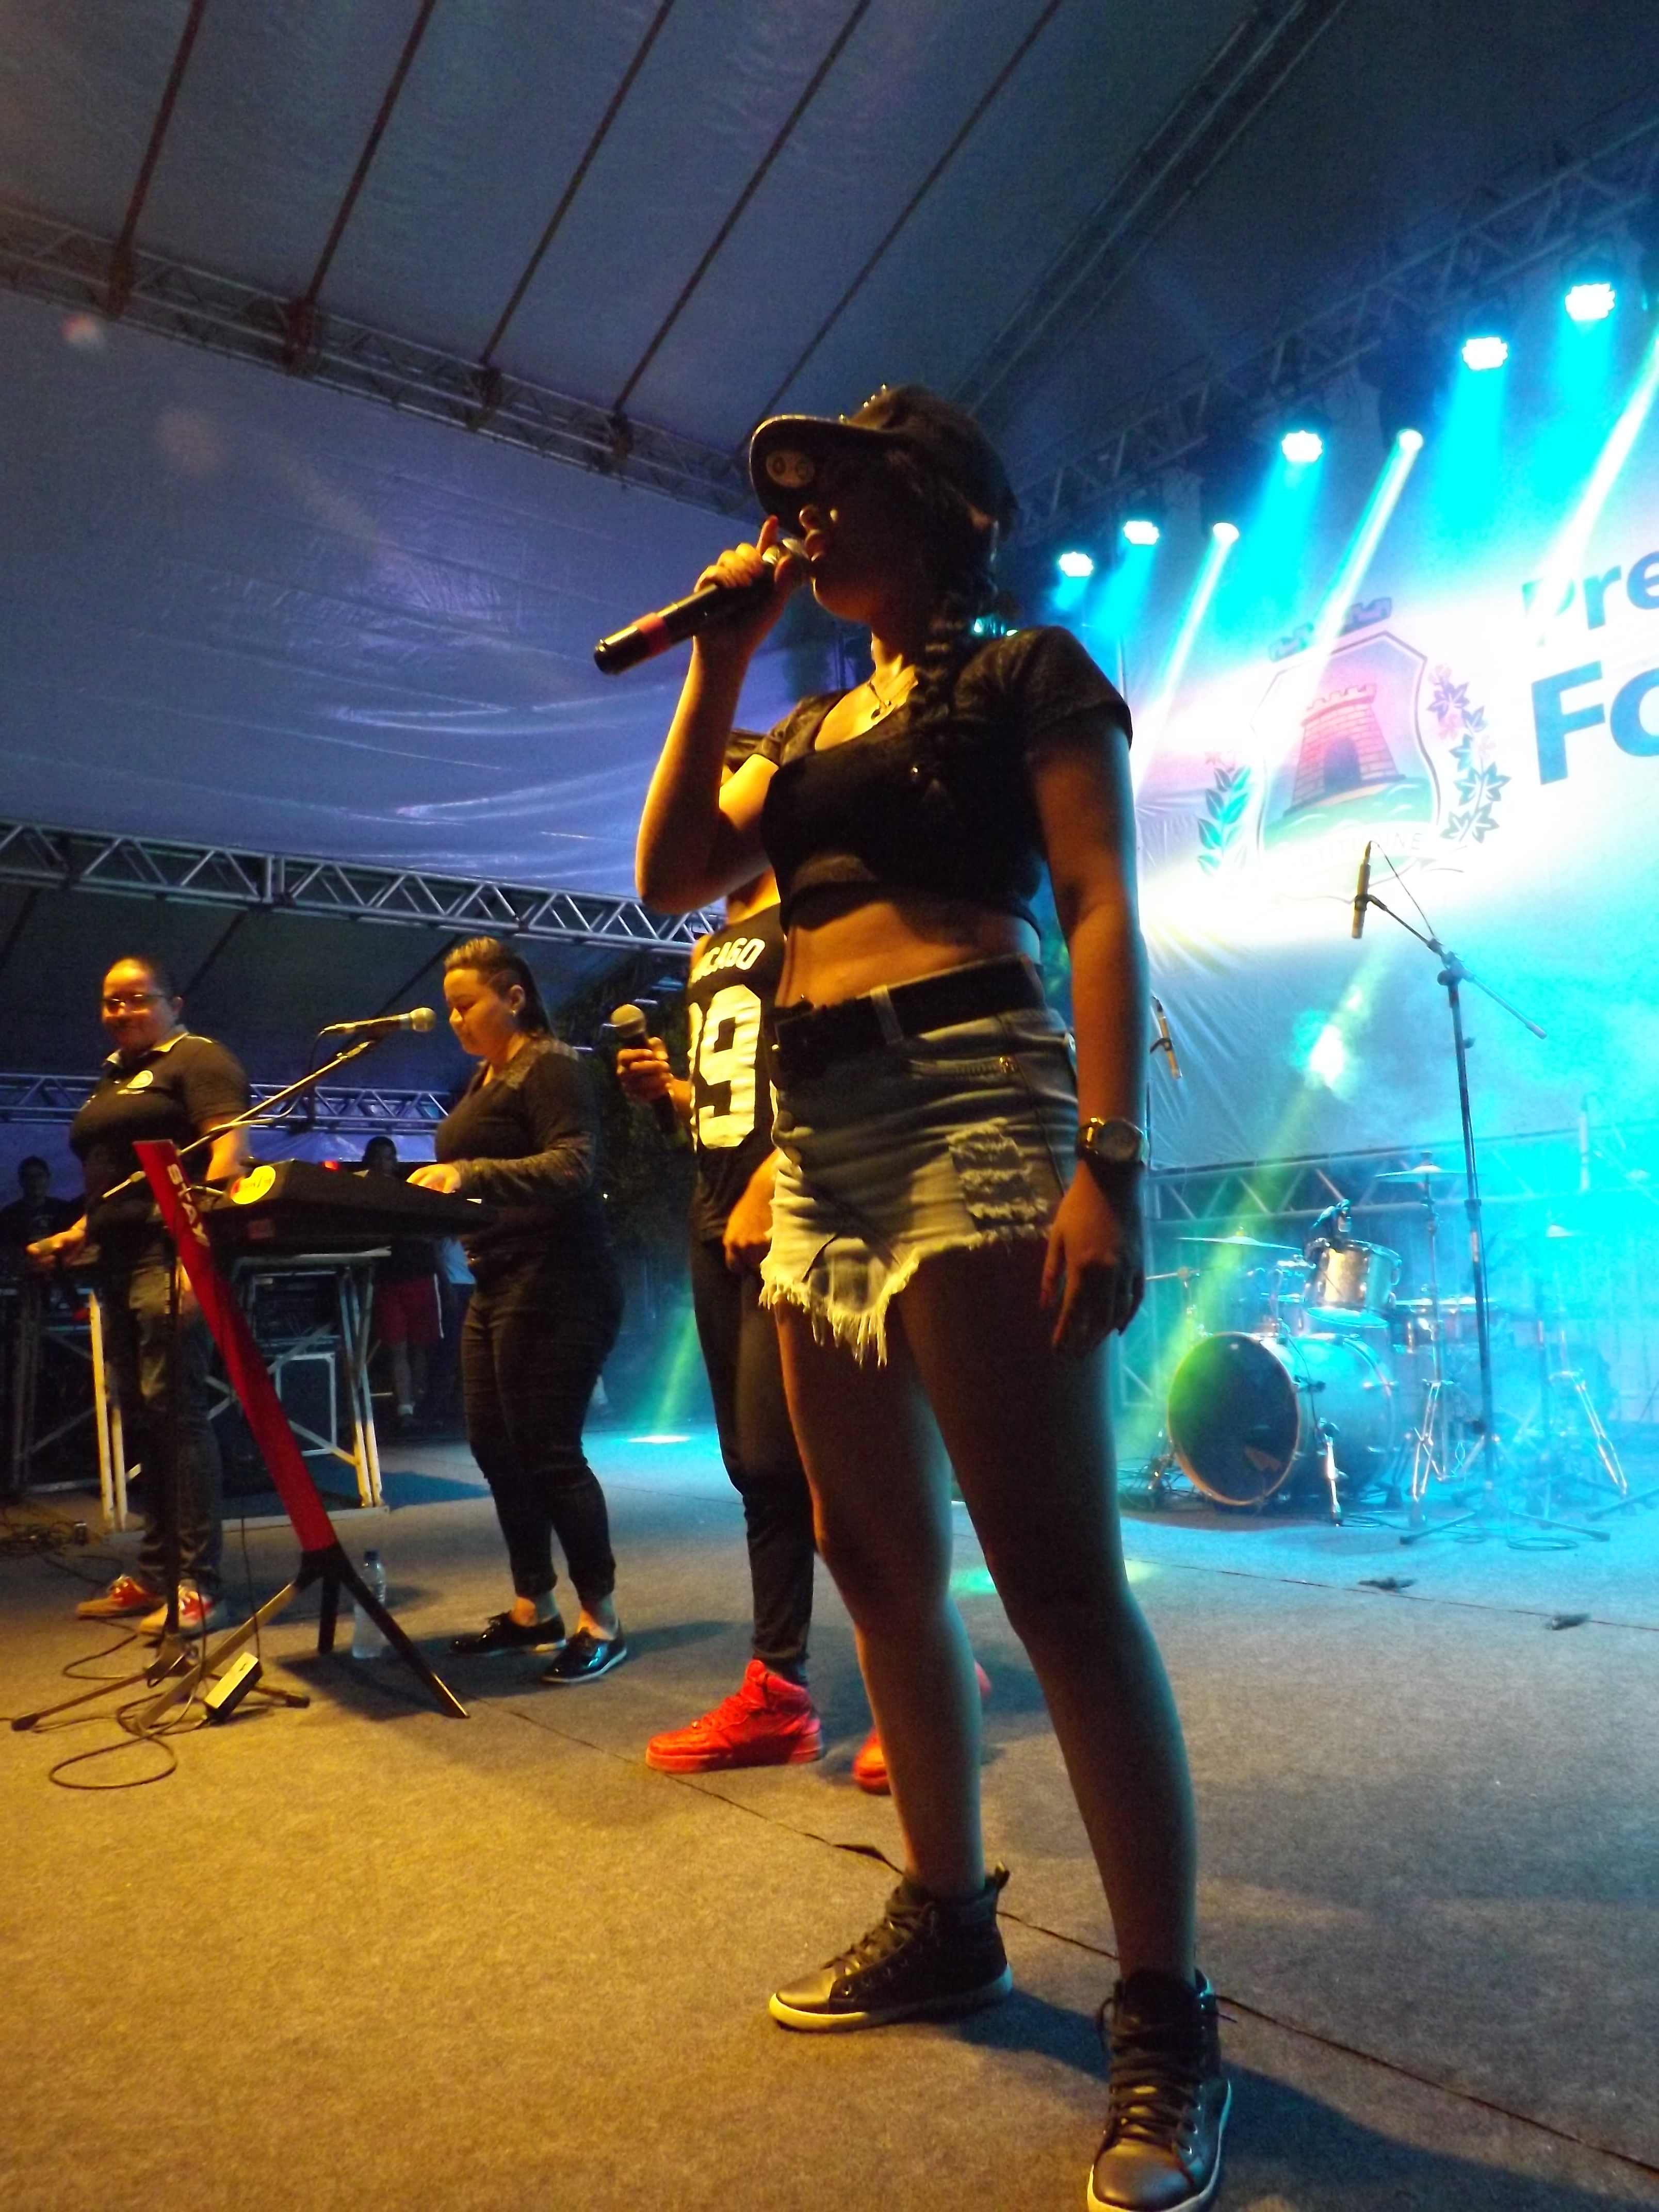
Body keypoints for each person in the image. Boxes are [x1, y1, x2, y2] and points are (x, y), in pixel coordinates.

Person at [636, 386, 1225, 2212]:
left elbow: (1099, 902)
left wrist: (1107, 1160)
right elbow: (673, 874)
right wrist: (718, 659)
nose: (806, 518)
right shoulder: (806, 722)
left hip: (977, 1087)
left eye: (841, 488)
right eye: (792, 499)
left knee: (1053, 1573)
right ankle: (949, 1912)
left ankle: (1163, 2012)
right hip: (819, 1132)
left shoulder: (1029, 672)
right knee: (873, 1556)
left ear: (941, 503)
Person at [617, 742, 822, 1769]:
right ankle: (795, 1680)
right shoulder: (709, 945)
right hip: (717, 1209)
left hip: (795, 1202)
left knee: (810, 1455)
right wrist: (670, 1099)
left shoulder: (813, 911)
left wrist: (772, 1178)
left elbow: (833, 1063)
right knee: (753, 1461)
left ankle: (908, 1651)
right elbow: (732, 1094)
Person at [410, 937, 626, 1683]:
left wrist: (467, 1173)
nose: (455, 1020)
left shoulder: (551, 1065)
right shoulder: (484, 1077)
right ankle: (535, 1606)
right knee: (496, 1447)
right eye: (449, 1009)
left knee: (548, 1451)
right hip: (498, 1277)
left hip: (560, 1276)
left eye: (465, 1005)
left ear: (513, 997)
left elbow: (573, 1164)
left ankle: (602, 1619)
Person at [30, 957, 249, 1638]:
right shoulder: (114, 1076)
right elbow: (116, 1182)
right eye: (110, 1002)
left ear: (174, 1003)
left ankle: (200, 1583)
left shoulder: (199, 1059)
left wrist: (197, 1253)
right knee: (143, 1414)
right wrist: (79, 1231)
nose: (121, 1012)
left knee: (175, 1410)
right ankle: (157, 1572)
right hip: (118, 1258)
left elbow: (228, 1157)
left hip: (169, 1250)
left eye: (136, 999)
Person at [359, 1135, 441, 1426]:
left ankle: (416, 1404)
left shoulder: (407, 1192)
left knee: (420, 1346)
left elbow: (429, 1235)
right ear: (370, 1160)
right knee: (397, 1346)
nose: (384, 1163)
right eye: (379, 1157)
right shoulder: (361, 1195)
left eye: (389, 1157)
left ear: (395, 1161)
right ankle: (405, 1409)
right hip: (388, 1278)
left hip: (418, 1274)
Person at [0, 1157, 77, 1267]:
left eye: (40, 1176)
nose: (35, 1181)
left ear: (48, 1179)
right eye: (29, 1177)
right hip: (26, 1271)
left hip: (61, 1269)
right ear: (22, 1181)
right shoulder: (8, 1216)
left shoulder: (64, 1209)